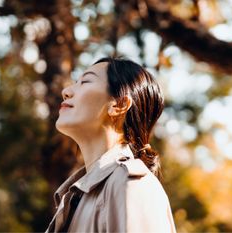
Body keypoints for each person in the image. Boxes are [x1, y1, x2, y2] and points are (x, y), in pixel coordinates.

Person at [46, 57, 176, 232]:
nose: (66, 91)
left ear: (119, 105)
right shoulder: (78, 198)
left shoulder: (131, 185)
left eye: (85, 82)